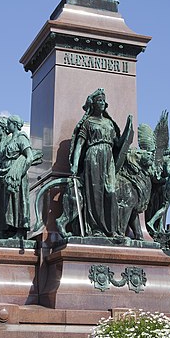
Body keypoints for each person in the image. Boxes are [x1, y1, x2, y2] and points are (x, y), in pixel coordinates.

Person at [70, 89, 132, 237]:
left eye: (104, 101)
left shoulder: (109, 123)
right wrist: (74, 164)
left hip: (108, 157)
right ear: (94, 104)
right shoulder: (88, 122)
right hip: (93, 157)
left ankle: (112, 229)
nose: (102, 103)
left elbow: (118, 143)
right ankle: (96, 228)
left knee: (110, 192)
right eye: (99, 100)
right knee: (95, 193)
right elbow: (79, 144)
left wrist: (128, 130)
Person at [0, 115, 41, 239]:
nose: (7, 126)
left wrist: (19, 171)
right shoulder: (11, 140)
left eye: (9, 124)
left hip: (17, 177)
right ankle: (10, 230)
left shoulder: (22, 138)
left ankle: (20, 232)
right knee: (10, 205)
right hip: (8, 175)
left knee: (18, 204)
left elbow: (29, 156)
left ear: (14, 124)